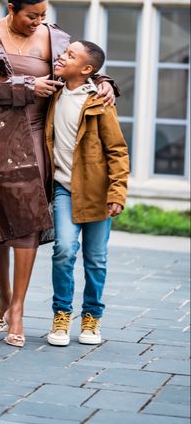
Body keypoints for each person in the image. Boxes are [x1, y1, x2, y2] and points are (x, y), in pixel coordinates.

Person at [0, 0, 116, 348]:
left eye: (43, 15)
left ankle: (19, 308)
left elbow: (81, 63)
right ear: (11, 8)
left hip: (39, 138)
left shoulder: (53, 36)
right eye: (31, 16)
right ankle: (5, 293)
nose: (38, 22)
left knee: (25, 219)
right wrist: (25, 87)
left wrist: (105, 81)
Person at [45, 40, 129, 347]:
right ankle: (61, 314)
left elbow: (118, 151)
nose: (61, 56)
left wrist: (117, 192)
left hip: (97, 192)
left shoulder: (99, 101)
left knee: (96, 259)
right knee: (65, 249)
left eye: (70, 55)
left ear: (86, 69)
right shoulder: (52, 92)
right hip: (64, 188)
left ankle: (92, 316)